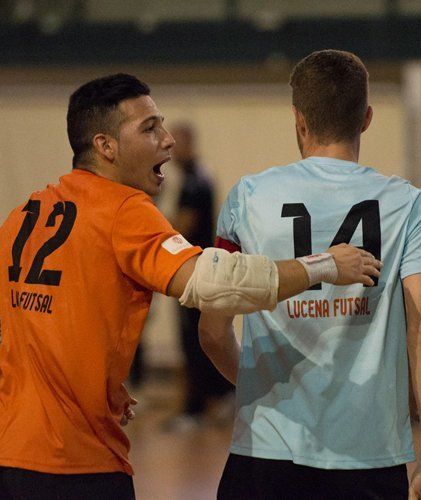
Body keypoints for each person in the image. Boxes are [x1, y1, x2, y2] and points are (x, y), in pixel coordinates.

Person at [0, 73, 380, 499]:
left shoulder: (24, 214)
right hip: (74, 463)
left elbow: (21, 326)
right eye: (149, 128)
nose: (168, 140)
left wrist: (93, 382)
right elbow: (218, 284)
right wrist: (323, 265)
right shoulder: (122, 209)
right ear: (105, 146)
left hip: (11, 454)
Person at [199, 50, 421, 499]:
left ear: (299, 120)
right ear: (367, 118)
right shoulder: (408, 203)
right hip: (369, 457)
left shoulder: (247, 197)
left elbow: (212, 331)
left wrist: (258, 383)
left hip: (265, 450)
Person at [166, 123, 233, 430]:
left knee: (194, 340)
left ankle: (196, 410)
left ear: (189, 143)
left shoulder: (195, 181)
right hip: (201, 269)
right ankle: (221, 394)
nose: (169, 148)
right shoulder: (197, 176)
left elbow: (185, 225)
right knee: (200, 338)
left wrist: (149, 230)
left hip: (193, 273)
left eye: (175, 142)